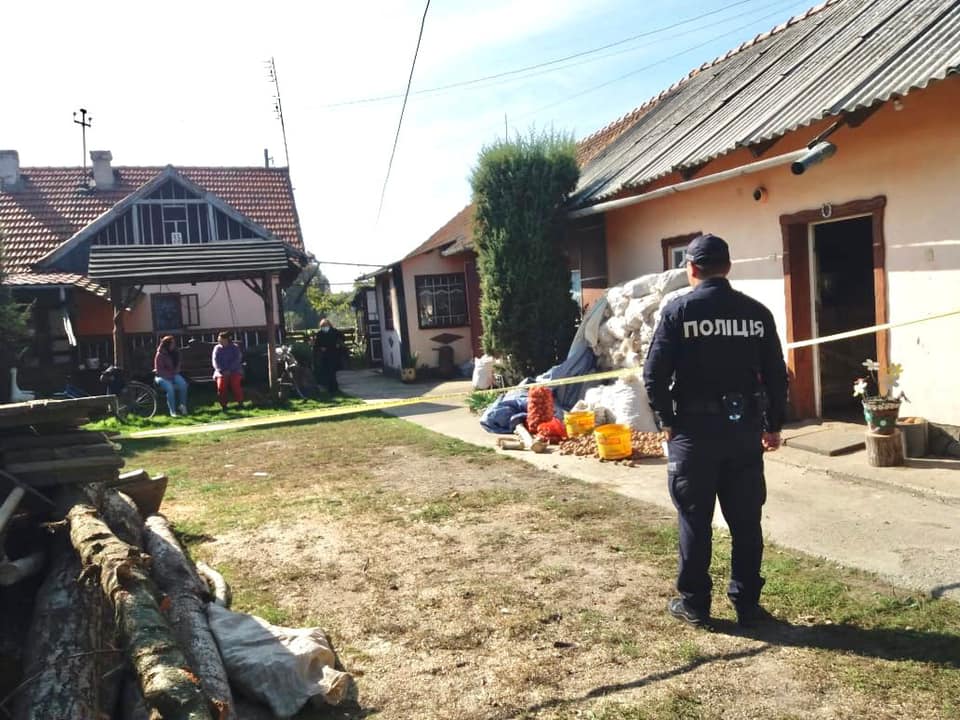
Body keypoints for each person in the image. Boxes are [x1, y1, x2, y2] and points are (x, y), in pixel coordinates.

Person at [643, 233, 788, 628]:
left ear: (691, 268)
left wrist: (667, 421)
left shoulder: (678, 312)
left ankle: (695, 604)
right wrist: (773, 424)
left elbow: (654, 375)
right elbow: (777, 375)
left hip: (693, 433)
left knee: (695, 520)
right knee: (746, 522)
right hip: (743, 432)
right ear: (728, 266)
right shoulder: (756, 313)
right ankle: (747, 605)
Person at [154, 335, 189, 417]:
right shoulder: (160, 354)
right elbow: (159, 370)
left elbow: (178, 363)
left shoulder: (175, 352)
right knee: (170, 388)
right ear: (167, 344)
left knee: (183, 384)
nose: (174, 345)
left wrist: (176, 370)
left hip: (173, 374)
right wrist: (169, 377)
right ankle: (172, 411)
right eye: (172, 343)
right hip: (161, 376)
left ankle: (182, 406)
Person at [212, 331, 244, 411]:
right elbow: (215, 361)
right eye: (219, 340)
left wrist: (229, 369)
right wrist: (221, 370)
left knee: (235, 384)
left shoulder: (235, 347)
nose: (219, 341)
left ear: (227, 340)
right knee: (221, 386)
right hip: (221, 372)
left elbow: (237, 359)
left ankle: (240, 402)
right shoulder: (217, 348)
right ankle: (223, 405)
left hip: (234, 371)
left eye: (221, 340)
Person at [312, 318, 345, 395]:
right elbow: (317, 344)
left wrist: (338, 344)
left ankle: (333, 387)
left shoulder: (335, 332)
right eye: (323, 326)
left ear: (329, 325)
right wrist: (320, 348)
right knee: (327, 371)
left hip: (334, 353)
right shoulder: (320, 333)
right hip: (324, 355)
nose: (324, 327)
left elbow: (342, 338)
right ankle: (330, 387)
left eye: (325, 325)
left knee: (332, 371)